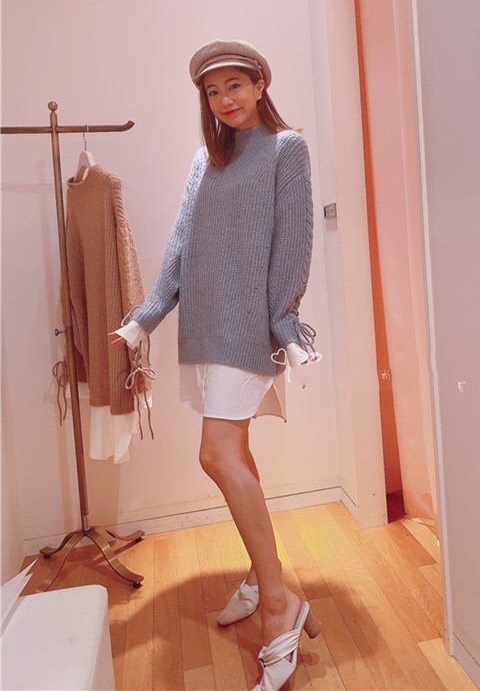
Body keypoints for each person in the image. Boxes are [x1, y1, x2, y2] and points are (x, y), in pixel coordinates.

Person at [110, 38, 321, 691]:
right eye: (212, 90)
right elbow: (181, 245)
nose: (225, 99)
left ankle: (280, 603)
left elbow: (295, 243)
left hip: (248, 329)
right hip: (203, 326)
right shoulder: (206, 160)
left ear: (259, 85)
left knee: (216, 456)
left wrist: (283, 324)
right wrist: (143, 319)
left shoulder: (286, 150)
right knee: (238, 455)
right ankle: (262, 576)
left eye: (235, 84)